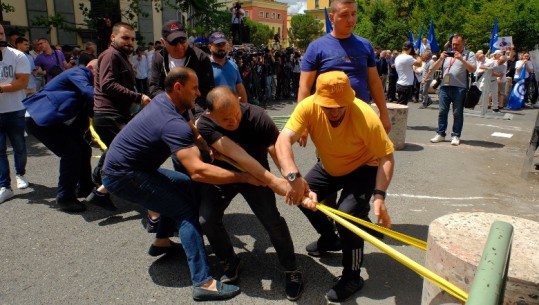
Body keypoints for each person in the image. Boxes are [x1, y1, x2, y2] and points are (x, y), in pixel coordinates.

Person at [101, 67, 255, 301]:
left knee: (183, 186)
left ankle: (162, 241)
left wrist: (208, 147)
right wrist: (243, 177)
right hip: (123, 176)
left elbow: (193, 130)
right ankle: (203, 282)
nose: (198, 92)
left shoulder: (170, 102)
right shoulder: (171, 121)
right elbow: (198, 171)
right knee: (185, 210)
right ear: (178, 87)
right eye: (194, 88)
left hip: (136, 169)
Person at [275, 71, 394, 302]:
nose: (335, 111)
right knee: (300, 195)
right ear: (318, 99)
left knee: (348, 216)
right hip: (330, 165)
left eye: (340, 105)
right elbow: (283, 140)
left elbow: (387, 156)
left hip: (363, 167)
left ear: (350, 97)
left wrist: (379, 196)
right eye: (328, 107)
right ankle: (329, 238)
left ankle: (352, 276)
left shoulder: (365, 115)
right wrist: (293, 177)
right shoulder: (308, 107)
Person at [197, 86, 304, 301]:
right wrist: (273, 182)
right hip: (225, 176)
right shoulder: (205, 123)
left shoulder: (256, 115)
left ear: (239, 101)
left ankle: (291, 269)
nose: (234, 122)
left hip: (257, 176)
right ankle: (229, 260)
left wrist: (291, 178)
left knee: (272, 220)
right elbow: (239, 157)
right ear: (211, 115)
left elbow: (277, 150)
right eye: (226, 120)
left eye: (236, 114)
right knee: (206, 219)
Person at [297, 0, 391, 145]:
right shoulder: (316, 47)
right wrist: (301, 123)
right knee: (331, 162)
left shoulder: (365, 45)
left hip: (361, 117)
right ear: (331, 17)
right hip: (330, 119)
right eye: (344, 15)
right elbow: (304, 87)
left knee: (365, 160)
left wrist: (384, 114)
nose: (351, 20)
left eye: (354, 14)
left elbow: (374, 82)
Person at [88, 22, 151, 209]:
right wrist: (138, 97)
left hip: (117, 116)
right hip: (109, 116)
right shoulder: (110, 55)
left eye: (132, 39)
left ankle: (99, 184)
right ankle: (100, 190)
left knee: (118, 154)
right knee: (133, 154)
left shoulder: (121, 56)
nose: (130, 42)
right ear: (113, 37)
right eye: (125, 37)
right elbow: (107, 85)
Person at [24, 60, 98, 212]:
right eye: (102, 74)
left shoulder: (89, 82)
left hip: (55, 121)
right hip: (38, 118)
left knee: (84, 149)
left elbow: (90, 111)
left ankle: (85, 186)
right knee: (71, 153)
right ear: (90, 68)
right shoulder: (79, 72)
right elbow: (88, 93)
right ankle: (65, 198)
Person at [149, 20, 214, 118]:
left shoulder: (200, 58)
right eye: (174, 42)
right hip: (167, 111)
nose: (179, 46)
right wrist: (172, 105)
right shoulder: (158, 58)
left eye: (182, 40)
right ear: (163, 42)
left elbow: (206, 90)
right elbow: (154, 87)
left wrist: (196, 115)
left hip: (196, 111)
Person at [424, 34, 476, 146]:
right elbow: (434, 69)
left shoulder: (469, 54)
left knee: (457, 113)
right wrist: (441, 58)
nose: (454, 47)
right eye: (453, 44)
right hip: (444, 87)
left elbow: (472, 69)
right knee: (442, 111)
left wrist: (461, 59)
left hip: (460, 88)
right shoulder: (446, 54)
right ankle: (441, 134)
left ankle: (456, 135)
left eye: (457, 44)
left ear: (463, 44)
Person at [0, 24, 31, 204]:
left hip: (15, 110)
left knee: (19, 146)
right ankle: (5, 186)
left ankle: (21, 174)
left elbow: (22, 83)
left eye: (2, 33)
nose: (0, 36)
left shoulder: (18, 56)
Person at [208, 32, 248, 104]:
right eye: (218, 45)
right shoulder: (205, 66)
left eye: (223, 44)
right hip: (214, 112)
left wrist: (245, 108)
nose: (221, 47)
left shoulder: (233, 65)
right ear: (210, 47)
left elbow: (240, 88)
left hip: (233, 110)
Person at [395, 41, 422, 105]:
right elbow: (419, 64)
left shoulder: (398, 57)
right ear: (410, 48)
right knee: (402, 107)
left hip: (400, 83)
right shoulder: (408, 58)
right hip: (405, 85)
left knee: (400, 104)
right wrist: (417, 55)